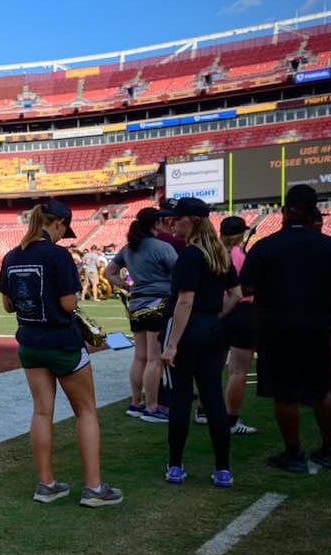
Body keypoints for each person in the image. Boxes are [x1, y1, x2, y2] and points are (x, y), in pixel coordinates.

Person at [0, 199, 122, 508]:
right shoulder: (58, 255)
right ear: (58, 224)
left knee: (42, 412)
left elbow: (7, 305)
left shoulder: (11, 256)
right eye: (63, 228)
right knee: (86, 412)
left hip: (29, 343)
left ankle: (46, 484)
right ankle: (93, 488)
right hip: (62, 343)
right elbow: (68, 305)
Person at [240, 185, 331, 472]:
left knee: (285, 392)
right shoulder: (330, 245)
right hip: (316, 323)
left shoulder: (266, 246)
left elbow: (247, 286)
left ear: (285, 211)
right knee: (320, 390)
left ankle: (293, 453)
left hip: (276, 326)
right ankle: (330, 449)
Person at [158, 198, 241, 488]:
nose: (172, 223)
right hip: (211, 330)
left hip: (187, 330)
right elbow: (235, 294)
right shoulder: (220, 251)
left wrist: (172, 345)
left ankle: (176, 466)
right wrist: (214, 316)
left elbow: (185, 300)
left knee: (181, 398)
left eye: (176, 219)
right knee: (213, 398)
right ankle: (222, 469)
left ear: (190, 220)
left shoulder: (191, 254)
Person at [105, 207, 176, 424]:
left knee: (139, 357)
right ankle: (152, 406)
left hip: (136, 306)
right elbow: (179, 274)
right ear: (156, 224)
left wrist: (127, 287)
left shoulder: (129, 248)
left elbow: (109, 272)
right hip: (159, 304)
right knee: (154, 359)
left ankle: (136, 403)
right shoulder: (163, 247)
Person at [218, 217, 259, 435]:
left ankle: (206, 411)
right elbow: (248, 286)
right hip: (240, 310)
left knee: (214, 368)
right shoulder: (238, 254)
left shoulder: (213, 251)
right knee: (238, 371)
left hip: (218, 310)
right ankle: (231, 420)